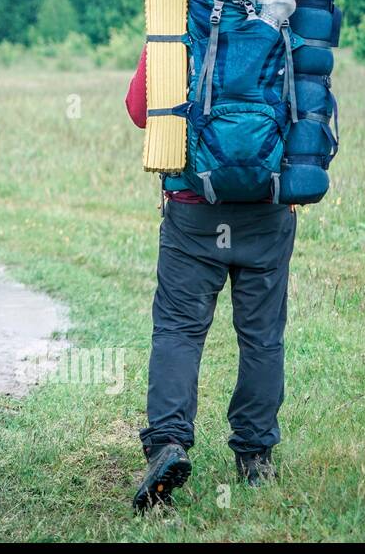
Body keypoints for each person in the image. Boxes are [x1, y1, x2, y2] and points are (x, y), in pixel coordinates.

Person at [125, 46, 297, 511]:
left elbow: (140, 111)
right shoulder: (284, 22)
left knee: (179, 330)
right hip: (268, 206)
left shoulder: (179, 25)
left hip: (193, 209)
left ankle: (167, 445)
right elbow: (310, 111)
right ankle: (255, 456)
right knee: (262, 336)